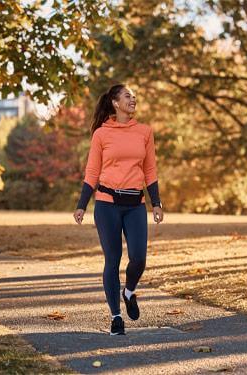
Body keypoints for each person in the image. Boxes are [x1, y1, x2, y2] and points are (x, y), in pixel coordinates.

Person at [73, 83, 164, 335]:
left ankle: (129, 290)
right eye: (127, 96)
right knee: (112, 260)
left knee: (139, 258)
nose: (132, 99)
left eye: (134, 96)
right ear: (115, 102)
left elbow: (150, 171)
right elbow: (92, 172)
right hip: (107, 204)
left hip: (135, 205)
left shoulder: (144, 132)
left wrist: (156, 202)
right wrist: (82, 205)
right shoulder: (101, 134)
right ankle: (115, 317)